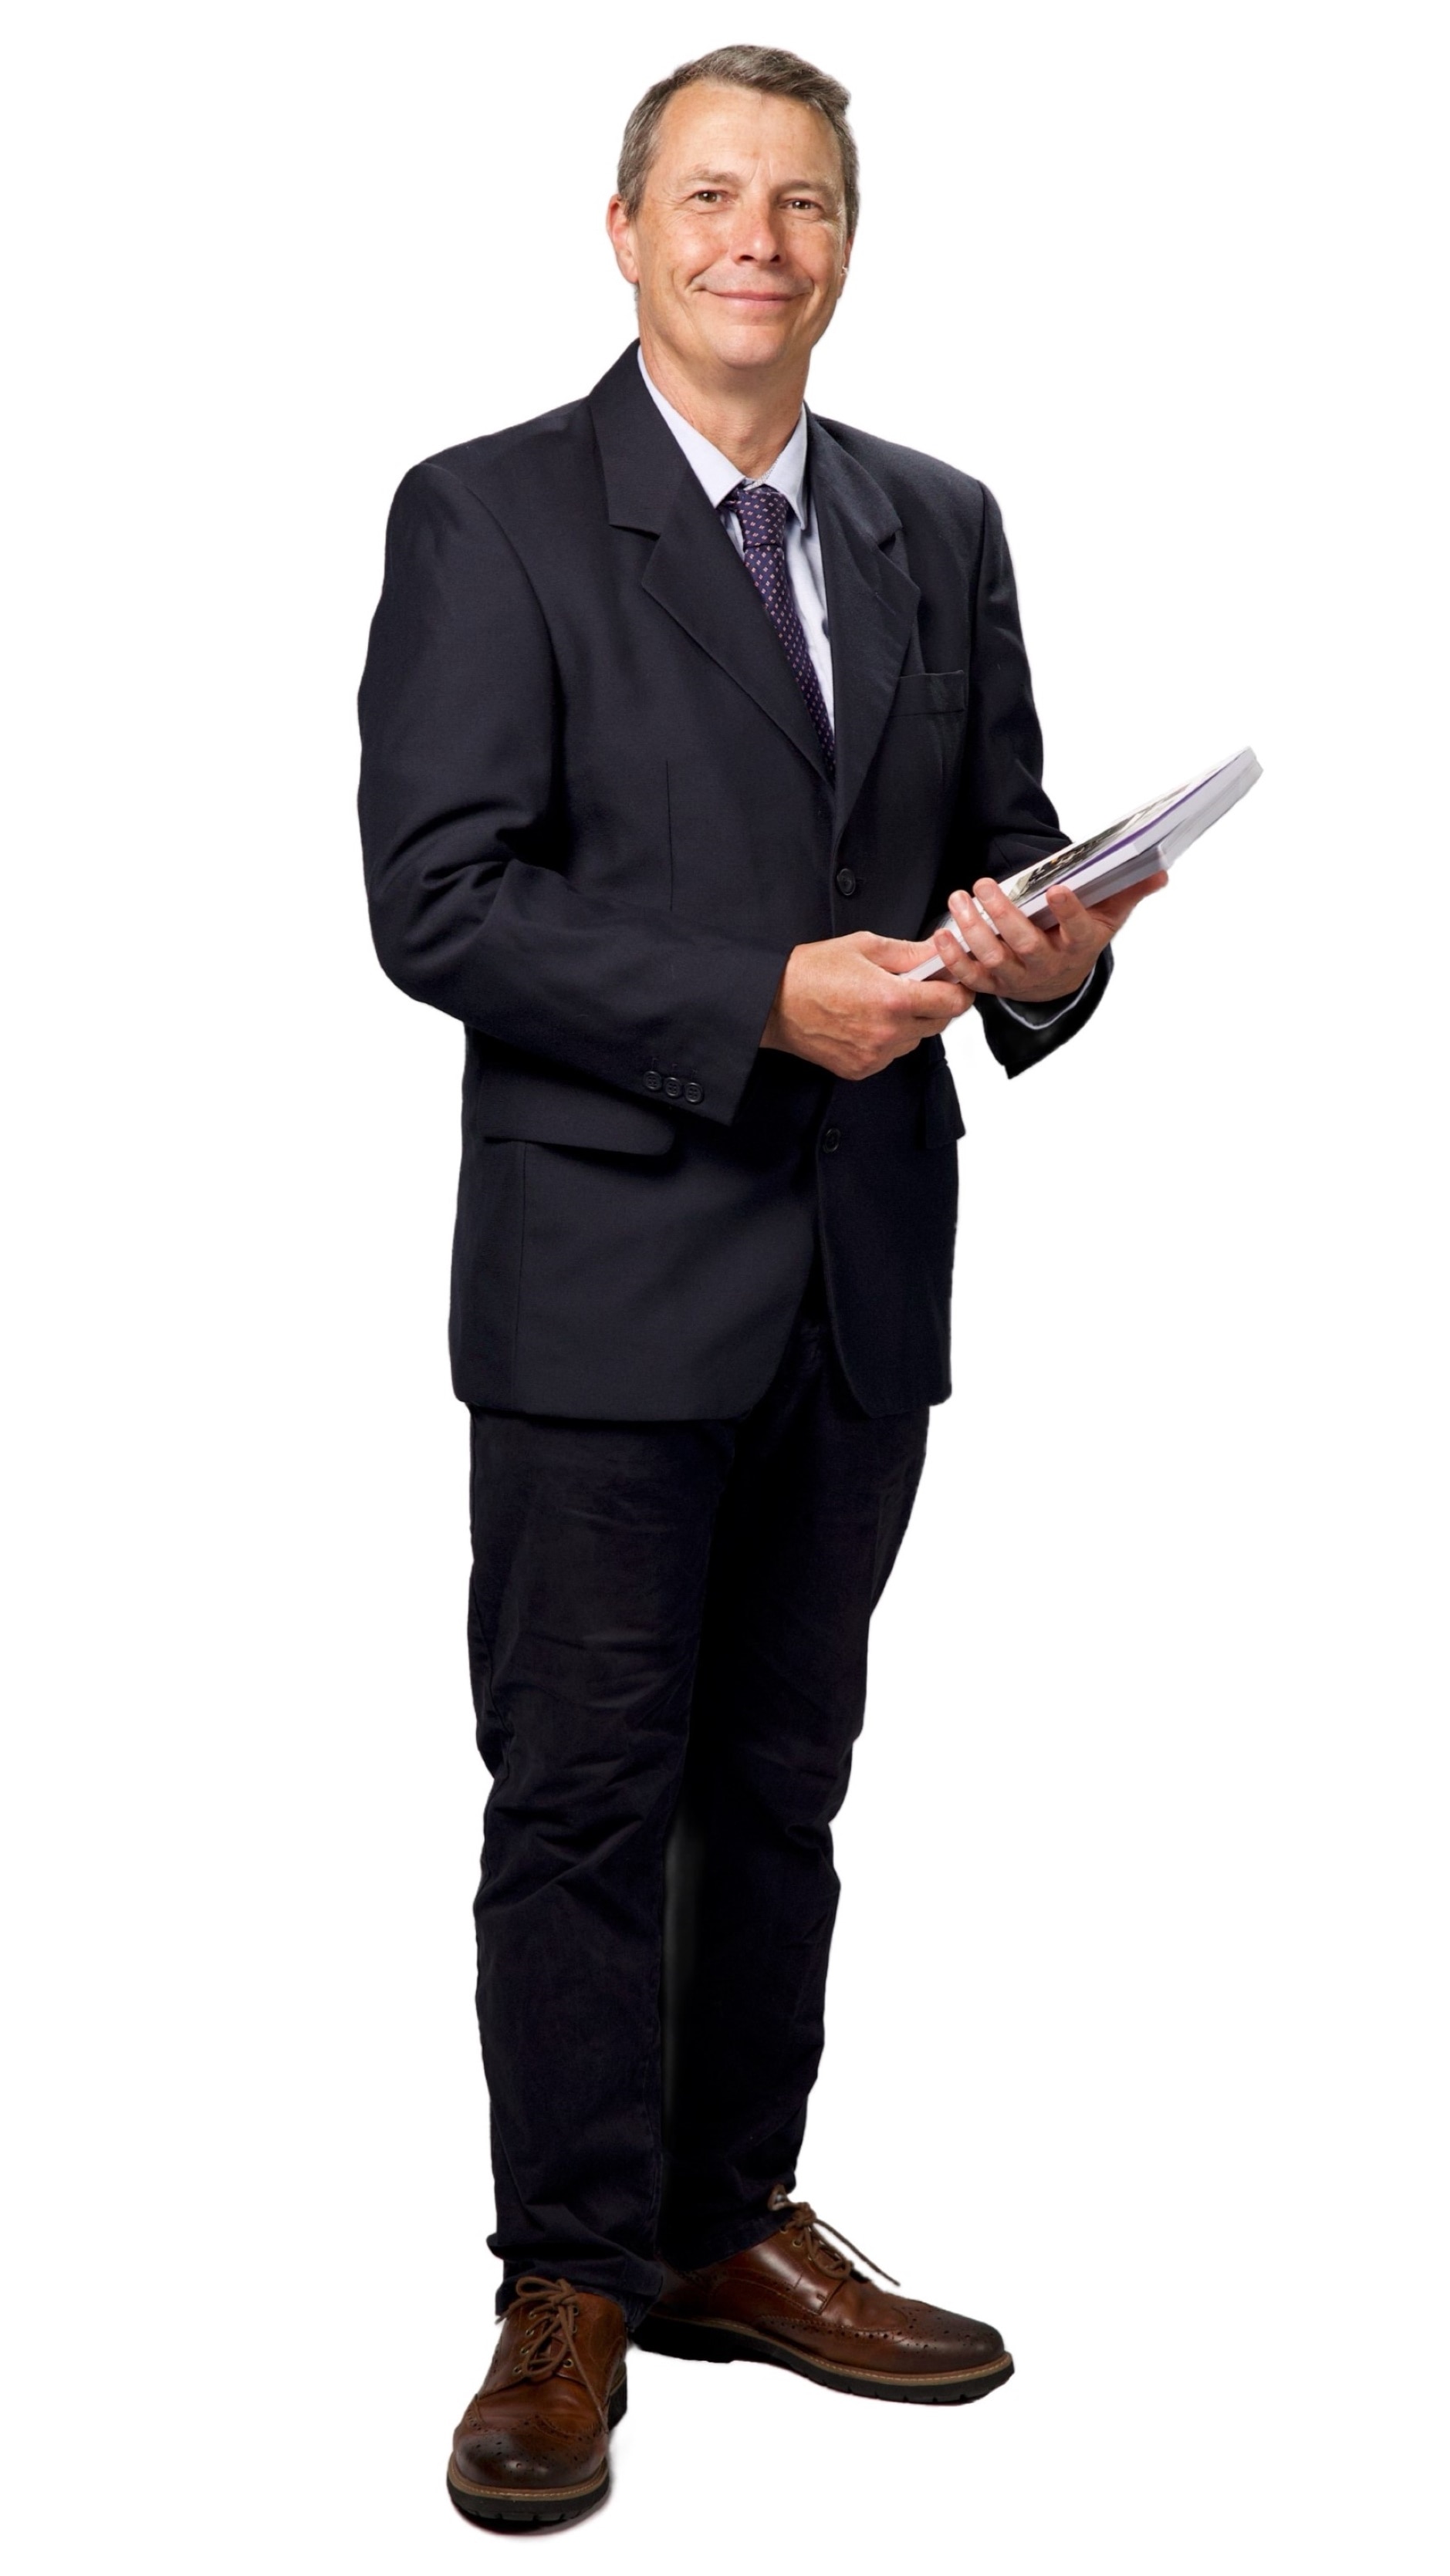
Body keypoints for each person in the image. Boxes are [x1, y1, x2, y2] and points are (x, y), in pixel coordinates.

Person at [357, 42, 1164, 2534]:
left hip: (856, 1274)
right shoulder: (488, 517)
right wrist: (749, 1005)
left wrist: (1047, 947)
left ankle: (725, 2220)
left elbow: (1004, 839)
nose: (758, 242)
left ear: (847, 243)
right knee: (587, 1797)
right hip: (606, 1279)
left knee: (783, 1786)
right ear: (623, 232)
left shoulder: (939, 521)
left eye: (802, 203)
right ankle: (568, 2281)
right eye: (711, 197)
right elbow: (443, 898)